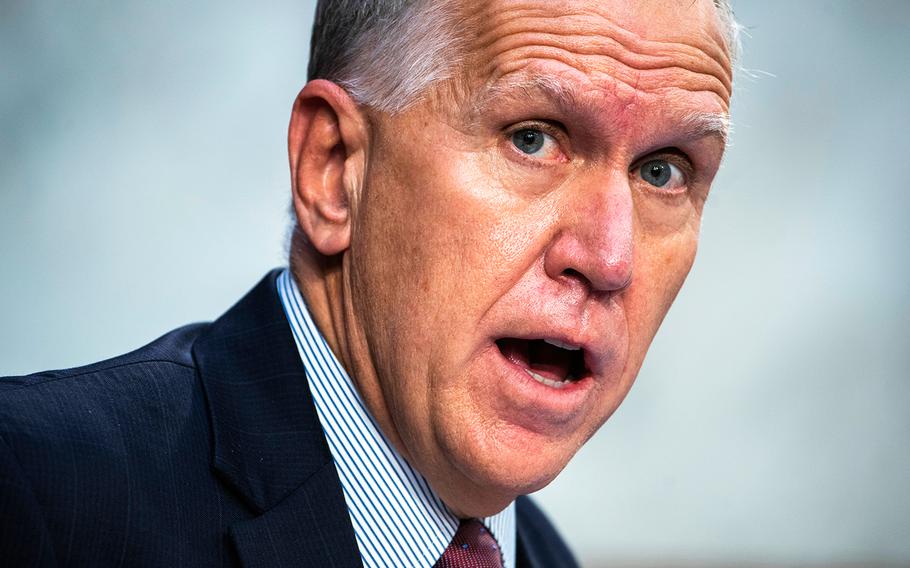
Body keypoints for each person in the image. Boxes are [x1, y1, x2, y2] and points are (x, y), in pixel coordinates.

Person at [0, 0, 737, 566]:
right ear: (332, 170)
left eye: (662, 170)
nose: (610, 259)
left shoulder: (549, 556)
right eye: (533, 138)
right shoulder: (37, 491)